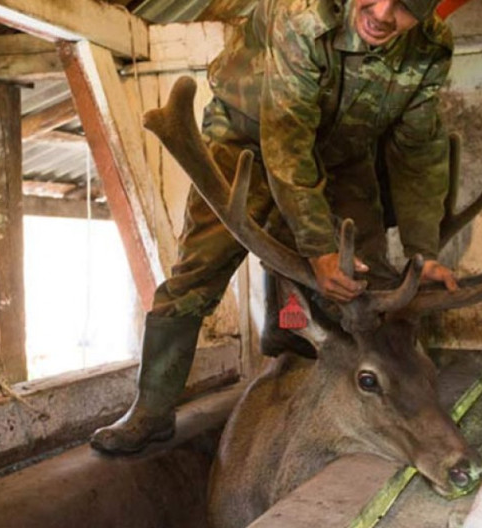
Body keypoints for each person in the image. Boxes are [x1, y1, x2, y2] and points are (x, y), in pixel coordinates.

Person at [90, 0, 459, 454]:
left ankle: (339, 401)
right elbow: (287, 139)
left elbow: (418, 150)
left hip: (342, 153)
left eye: (406, 7)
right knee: (202, 267)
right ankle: (151, 408)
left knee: (365, 278)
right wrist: (319, 247)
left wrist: (425, 252)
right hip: (246, 138)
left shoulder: (431, 49)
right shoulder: (303, 14)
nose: (383, 13)